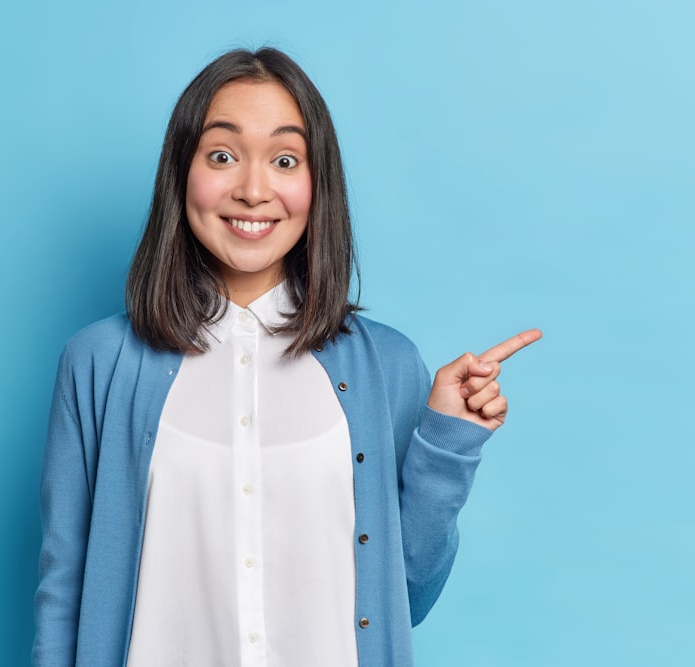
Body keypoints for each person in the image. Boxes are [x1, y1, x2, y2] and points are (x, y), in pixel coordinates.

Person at [33, 47, 540, 667]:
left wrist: (448, 442)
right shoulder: (98, 363)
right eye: (222, 156)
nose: (252, 190)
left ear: (315, 183)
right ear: (180, 173)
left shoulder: (388, 367)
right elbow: (65, 592)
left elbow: (406, 591)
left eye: (284, 159)